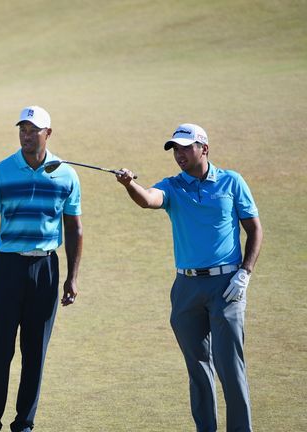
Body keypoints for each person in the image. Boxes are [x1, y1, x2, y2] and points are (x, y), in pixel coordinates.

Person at [115, 123, 263, 431]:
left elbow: (254, 229)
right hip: (186, 287)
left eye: (185, 148)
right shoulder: (172, 186)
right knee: (197, 369)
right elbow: (148, 199)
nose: (179, 154)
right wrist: (130, 184)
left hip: (227, 286)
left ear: (204, 149)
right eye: (175, 150)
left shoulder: (231, 182)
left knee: (230, 368)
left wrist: (245, 273)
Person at [0, 106, 83, 432]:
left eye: (33, 130)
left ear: (48, 133)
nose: (26, 135)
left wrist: (72, 278)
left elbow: (74, 228)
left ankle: (24, 423)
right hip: (7, 267)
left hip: (46, 267)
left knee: (35, 351)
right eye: (22, 128)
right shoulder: (0, 172)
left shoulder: (66, 174)